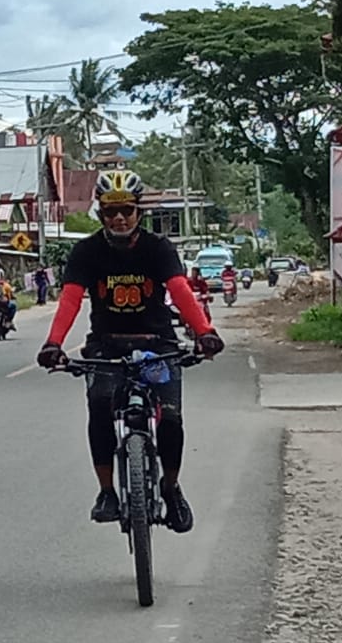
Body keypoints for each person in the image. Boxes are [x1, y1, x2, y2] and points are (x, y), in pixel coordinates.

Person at [36, 169, 225, 533]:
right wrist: (53, 344)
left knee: (170, 419)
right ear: (100, 214)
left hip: (158, 345)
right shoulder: (86, 251)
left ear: (139, 210)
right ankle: (107, 491)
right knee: (100, 411)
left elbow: (181, 292)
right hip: (106, 347)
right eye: (110, 211)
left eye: (126, 209)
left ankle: (170, 490)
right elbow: (71, 300)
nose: (119, 217)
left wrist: (205, 332)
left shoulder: (159, 249)